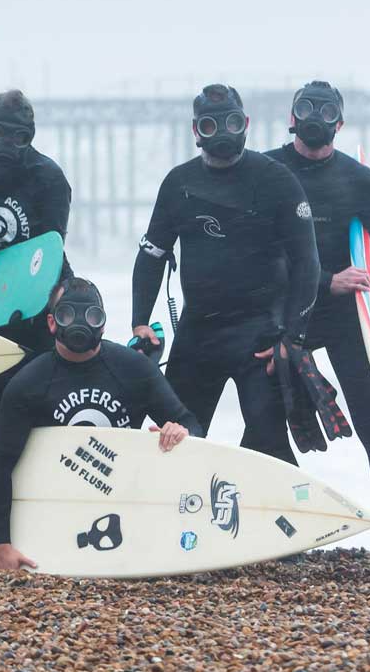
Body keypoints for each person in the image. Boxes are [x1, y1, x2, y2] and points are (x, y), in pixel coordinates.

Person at [266, 81, 370, 558]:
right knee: (268, 417)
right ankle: (284, 536)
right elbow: (259, 255)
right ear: (290, 118)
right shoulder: (268, 172)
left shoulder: (358, 180)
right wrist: (326, 280)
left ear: (339, 123)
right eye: (305, 110)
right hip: (292, 314)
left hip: (348, 319)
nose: (314, 118)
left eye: (323, 111)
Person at [131, 84, 320, 464]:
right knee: (178, 438)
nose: (222, 132)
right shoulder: (179, 183)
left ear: (246, 123)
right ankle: (181, 516)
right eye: (210, 124)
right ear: (196, 130)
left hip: (260, 334)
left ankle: (284, 515)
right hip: (198, 331)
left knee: (268, 439)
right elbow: (152, 254)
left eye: (231, 122)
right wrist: (139, 321)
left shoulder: (275, 180)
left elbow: (307, 264)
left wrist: (292, 336)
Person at [0, 278, 200, 571]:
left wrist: (180, 432)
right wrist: (1, 545)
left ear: (103, 323)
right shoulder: (28, 383)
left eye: (92, 316)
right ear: (51, 322)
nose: (80, 325)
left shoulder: (134, 369)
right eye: (66, 315)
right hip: (56, 512)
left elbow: (190, 423)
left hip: (125, 503)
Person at [0, 90, 74, 433]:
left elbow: (50, 250)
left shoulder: (50, 178)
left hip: (42, 308)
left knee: (42, 411)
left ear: (30, 135)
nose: (7, 142)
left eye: (17, 135)